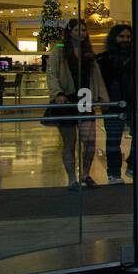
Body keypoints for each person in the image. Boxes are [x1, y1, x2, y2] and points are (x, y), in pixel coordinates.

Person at [47, 18, 105, 190]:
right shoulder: (59, 50)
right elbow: (52, 73)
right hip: (67, 98)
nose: (80, 34)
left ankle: (85, 174)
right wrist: (57, 93)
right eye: (77, 30)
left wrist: (101, 96)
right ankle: (72, 178)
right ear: (69, 32)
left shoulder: (88, 51)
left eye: (83, 30)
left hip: (85, 97)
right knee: (69, 141)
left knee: (89, 141)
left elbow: (96, 76)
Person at [95, 24, 138, 184]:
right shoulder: (104, 59)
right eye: (122, 36)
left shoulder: (136, 58)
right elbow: (99, 83)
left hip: (133, 103)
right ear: (115, 37)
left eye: (128, 37)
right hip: (113, 104)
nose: (125, 40)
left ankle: (133, 167)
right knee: (113, 140)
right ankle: (114, 173)